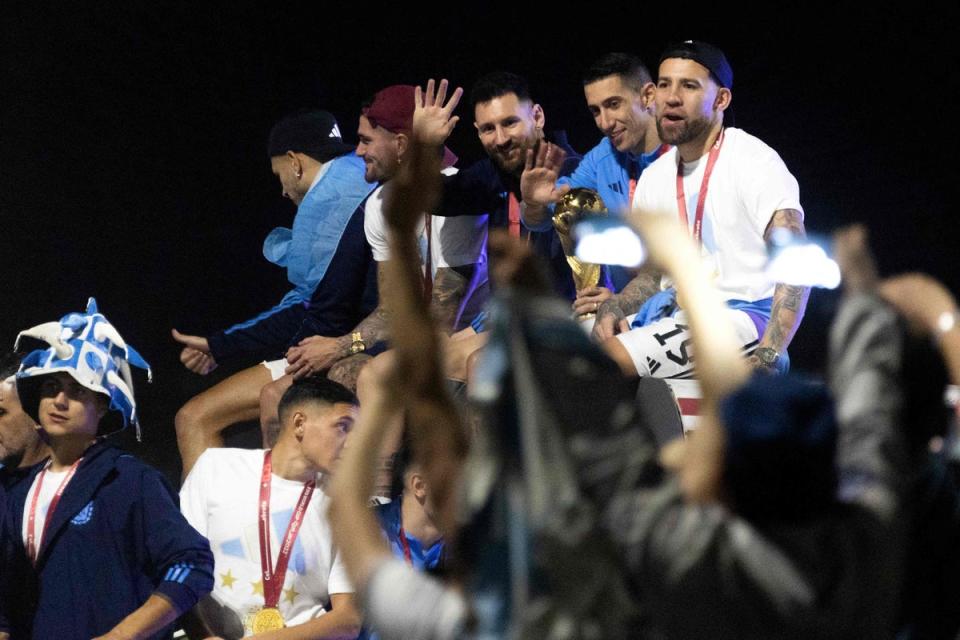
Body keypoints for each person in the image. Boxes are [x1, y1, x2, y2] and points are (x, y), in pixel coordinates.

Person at [257, 83, 489, 447]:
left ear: (399, 145)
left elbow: (442, 315)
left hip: (465, 335)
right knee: (278, 397)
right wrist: (341, 344)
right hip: (413, 337)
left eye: (366, 141)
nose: (357, 150)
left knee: (357, 373)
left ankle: (379, 497)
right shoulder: (380, 203)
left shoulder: (456, 196)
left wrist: (343, 346)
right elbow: (393, 305)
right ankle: (296, 500)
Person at [173, 110, 377, 476]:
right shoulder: (352, 175)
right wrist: (222, 344)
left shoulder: (329, 198)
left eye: (278, 174)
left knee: (208, 414)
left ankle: (278, 527)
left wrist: (222, 343)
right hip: (337, 336)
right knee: (193, 416)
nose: (282, 189)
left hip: (350, 342)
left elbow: (314, 308)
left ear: (295, 163)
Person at [0, 299, 214, 640]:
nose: (59, 401)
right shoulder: (18, 491)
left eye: (77, 391)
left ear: (103, 406)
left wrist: (121, 636)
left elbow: (190, 565)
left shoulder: (131, 480)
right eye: (51, 388)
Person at [600, 41, 809, 379]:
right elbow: (654, 275)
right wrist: (616, 305)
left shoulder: (754, 161)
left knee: (599, 365)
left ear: (721, 99)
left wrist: (770, 352)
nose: (671, 97)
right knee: (534, 357)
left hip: (741, 316)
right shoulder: (654, 178)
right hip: (676, 314)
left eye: (689, 85)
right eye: (664, 84)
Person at [180, 376, 361, 639]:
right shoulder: (215, 467)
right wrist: (203, 635)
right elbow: (177, 568)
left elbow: (349, 620)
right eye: (343, 427)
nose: (353, 442)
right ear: (300, 423)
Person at [521, 52, 668, 304]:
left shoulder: (683, 152)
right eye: (595, 110)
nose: (605, 122)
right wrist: (534, 203)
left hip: (683, 305)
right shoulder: (603, 157)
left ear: (648, 96)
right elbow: (543, 218)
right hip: (627, 308)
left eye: (613, 104)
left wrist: (625, 302)